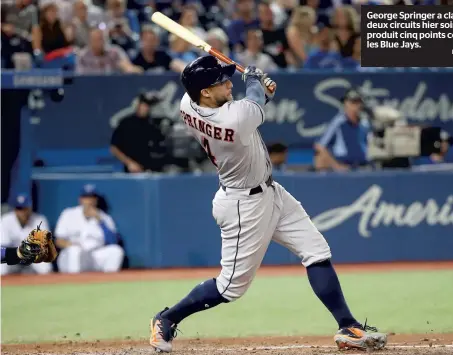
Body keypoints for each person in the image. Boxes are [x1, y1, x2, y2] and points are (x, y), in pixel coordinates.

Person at [149, 56, 387, 352]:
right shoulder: (232, 118)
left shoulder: (189, 103)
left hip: (271, 192)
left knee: (316, 251)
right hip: (242, 205)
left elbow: (252, 106)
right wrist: (253, 81)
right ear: (206, 94)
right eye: (219, 82)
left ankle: (347, 326)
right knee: (230, 287)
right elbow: (249, 107)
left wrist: (261, 96)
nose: (227, 83)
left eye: (227, 78)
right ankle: (167, 319)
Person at [55, 184, 124, 273]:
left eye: (92, 197)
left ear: (96, 200)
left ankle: (108, 282)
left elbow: (113, 241)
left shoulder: (104, 217)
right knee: (75, 251)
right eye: (86, 197)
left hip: (94, 255)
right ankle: (73, 282)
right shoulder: (68, 214)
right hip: (71, 256)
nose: (89, 201)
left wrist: (100, 221)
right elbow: (58, 240)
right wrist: (72, 245)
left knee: (116, 251)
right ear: (80, 199)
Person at [313, 89, 371, 171]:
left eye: (357, 102)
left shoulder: (365, 123)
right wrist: (336, 166)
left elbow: (371, 144)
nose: (354, 106)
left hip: (364, 166)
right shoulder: (338, 122)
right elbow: (319, 146)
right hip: (344, 165)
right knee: (319, 159)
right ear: (345, 104)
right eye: (352, 103)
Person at [1, 193, 53, 275]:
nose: (22, 212)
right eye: (19, 208)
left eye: (25, 208)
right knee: (1, 267)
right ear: (14, 209)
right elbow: (3, 245)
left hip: (32, 254)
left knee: (45, 266)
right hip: (12, 255)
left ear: (30, 208)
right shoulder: (5, 220)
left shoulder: (39, 220)